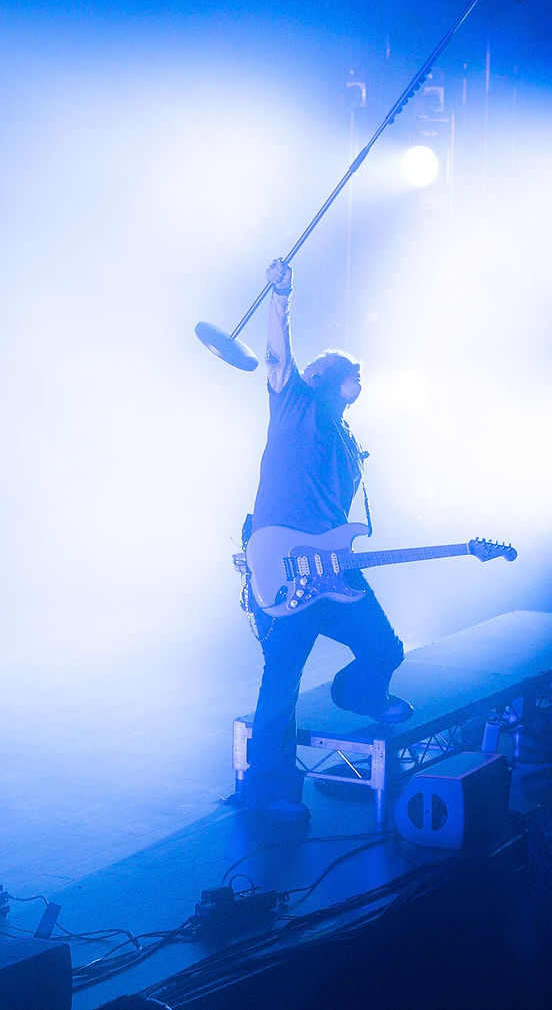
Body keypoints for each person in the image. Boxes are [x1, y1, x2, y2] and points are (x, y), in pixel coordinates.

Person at [239, 258, 411, 823]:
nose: (361, 375)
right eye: (351, 369)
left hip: (330, 568)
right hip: (287, 566)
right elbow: (276, 356)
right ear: (325, 377)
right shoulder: (296, 402)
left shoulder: (344, 434)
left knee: (384, 648)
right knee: (282, 679)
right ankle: (269, 788)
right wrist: (278, 297)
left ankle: (357, 693)